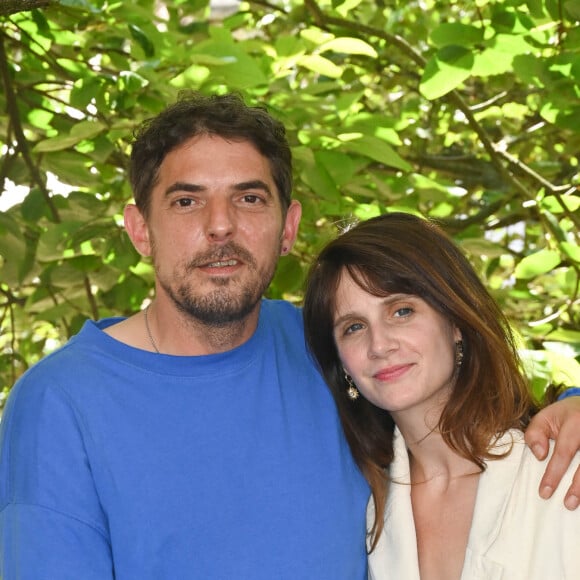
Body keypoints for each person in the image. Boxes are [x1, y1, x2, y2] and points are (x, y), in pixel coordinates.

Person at [0, 95, 578, 580]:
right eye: (186, 200)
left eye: (249, 198)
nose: (220, 225)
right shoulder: (60, 402)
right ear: (140, 231)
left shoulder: (324, 345)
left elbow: (456, 409)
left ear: (289, 227)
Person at [302, 211, 580, 580]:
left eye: (402, 311)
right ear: (343, 365)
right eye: (353, 327)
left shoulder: (561, 469)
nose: (379, 344)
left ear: (456, 324)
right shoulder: (363, 512)